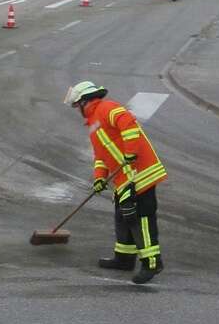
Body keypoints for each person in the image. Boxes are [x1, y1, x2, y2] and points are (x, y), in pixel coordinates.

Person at [64, 81, 168, 284]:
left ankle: (152, 263)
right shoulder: (94, 123)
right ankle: (124, 258)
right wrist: (100, 178)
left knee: (140, 218)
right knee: (123, 217)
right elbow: (101, 156)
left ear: (85, 101)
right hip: (123, 178)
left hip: (140, 174)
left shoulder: (107, 108)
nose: (78, 110)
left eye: (78, 105)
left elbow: (128, 124)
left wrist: (130, 152)